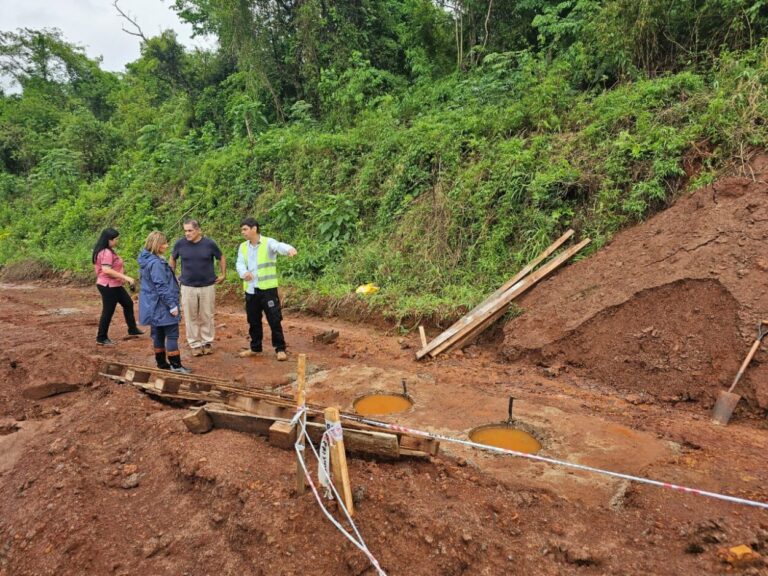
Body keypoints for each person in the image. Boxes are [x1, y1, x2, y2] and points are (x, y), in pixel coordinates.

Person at [236, 217, 297, 361]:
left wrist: (289, 249)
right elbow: (239, 263)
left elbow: (278, 246)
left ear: (254, 228)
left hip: (267, 290)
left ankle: (280, 349)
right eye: (242, 230)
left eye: (245, 229)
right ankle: (255, 348)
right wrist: (244, 273)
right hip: (251, 290)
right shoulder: (243, 246)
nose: (243, 232)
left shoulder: (268, 242)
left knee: (274, 319)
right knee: (253, 320)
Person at [169, 219, 226, 357]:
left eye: (190, 230)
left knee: (207, 315)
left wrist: (223, 274)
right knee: (190, 316)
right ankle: (195, 344)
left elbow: (221, 257)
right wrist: (172, 275)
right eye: (185, 231)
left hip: (207, 286)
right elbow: (172, 258)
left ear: (198, 230)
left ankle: (207, 342)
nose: (187, 233)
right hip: (188, 287)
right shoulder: (180, 244)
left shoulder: (209, 244)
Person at [138, 231, 191, 374]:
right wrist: (172, 305)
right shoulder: (156, 263)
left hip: (152, 305)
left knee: (158, 334)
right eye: (164, 243)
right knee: (172, 334)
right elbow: (161, 286)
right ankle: (176, 366)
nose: (167, 246)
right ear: (157, 245)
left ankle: (161, 363)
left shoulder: (146, 260)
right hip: (162, 305)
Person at [92, 227, 144, 346]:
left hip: (114, 284)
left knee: (128, 303)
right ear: (109, 240)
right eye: (116, 239)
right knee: (108, 311)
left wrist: (122, 278)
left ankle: (132, 329)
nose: (117, 241)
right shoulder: (106, 253)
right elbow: (106, 269)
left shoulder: (108, 250)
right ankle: (101, 337)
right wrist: (126, 277)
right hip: (108, 286)